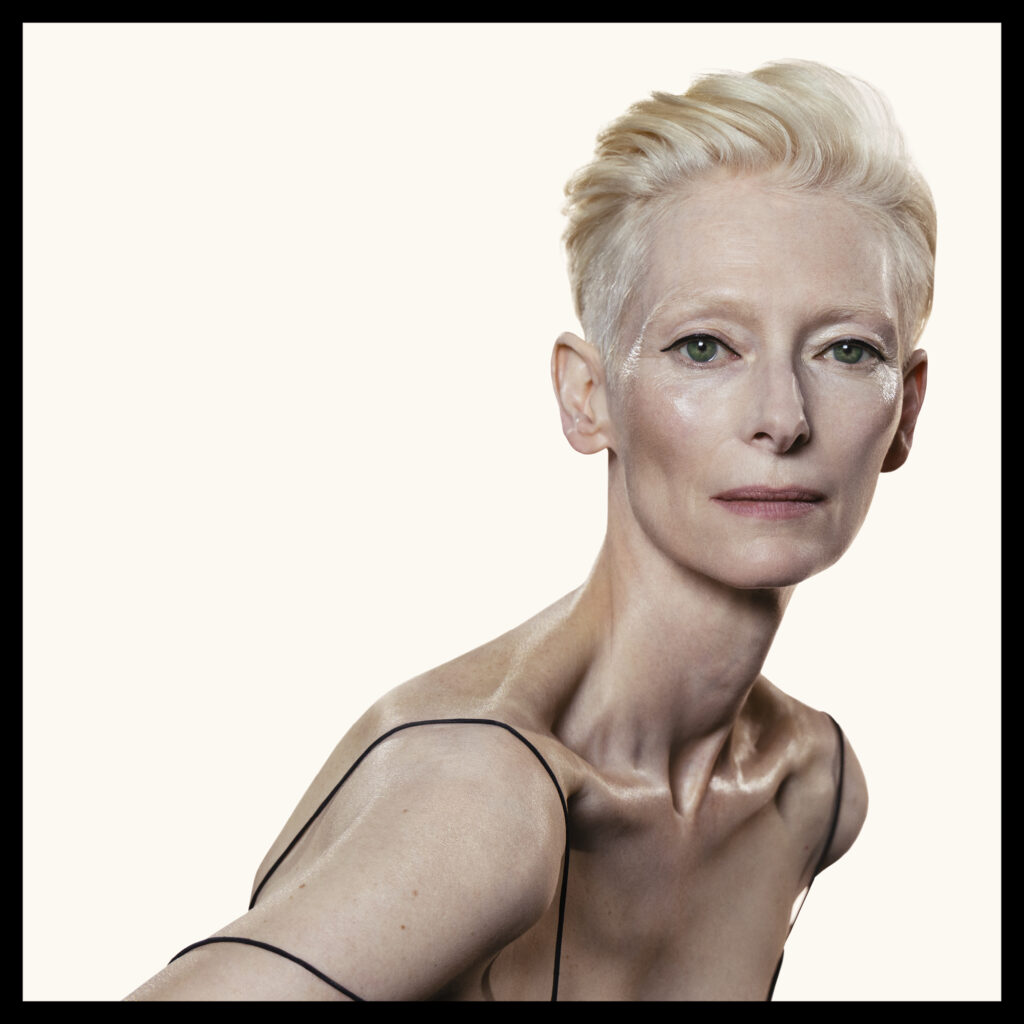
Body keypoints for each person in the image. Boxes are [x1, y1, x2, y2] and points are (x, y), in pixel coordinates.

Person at [125, 58, 933, 1001]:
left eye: (846, 351)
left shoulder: (812, 788)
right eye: (704, 346)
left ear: (907, 410)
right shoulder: (486, 797)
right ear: (588, 397)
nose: (782, 418)